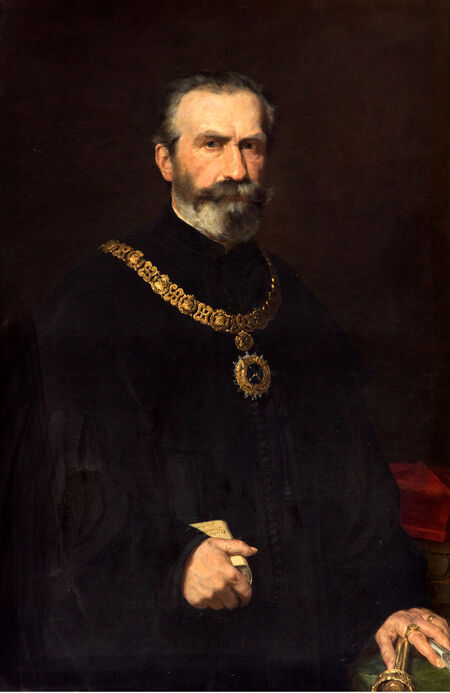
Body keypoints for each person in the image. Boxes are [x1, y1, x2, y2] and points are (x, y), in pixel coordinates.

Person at [1, 71, 449, 691]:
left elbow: (355, 481)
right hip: (159, 654)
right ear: (166, 161)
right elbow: (61, 497)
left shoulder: (291, 294)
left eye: (251, 146)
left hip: (301, 645)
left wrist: (389, 599)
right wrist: (174, 561)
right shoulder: (95, 297)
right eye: (212, 144)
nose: (236, 169)